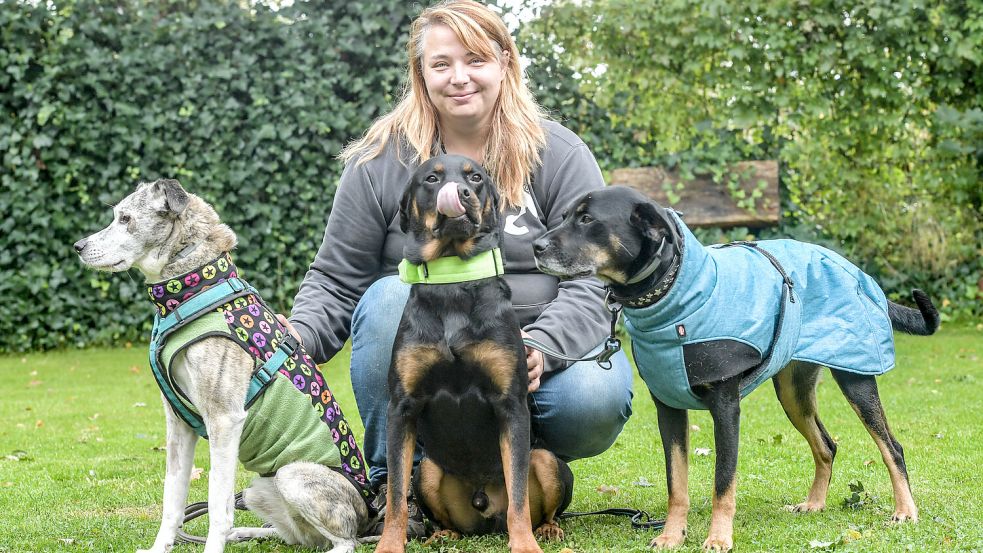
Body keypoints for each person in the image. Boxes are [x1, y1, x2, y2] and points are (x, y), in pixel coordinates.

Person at [279, 0, 634, 537]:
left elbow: (592, 276)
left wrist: (545, 346)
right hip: (425, 339)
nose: (459, 77)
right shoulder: (379, 161)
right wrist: (291, 339)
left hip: (528, 361)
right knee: (384, 300)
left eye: (475, 60)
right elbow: (336, 277)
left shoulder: (555, 152)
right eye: (441, 64)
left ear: (505, 64)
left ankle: (516, 479)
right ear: (420, 75)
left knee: (594, 397)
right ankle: (392, 489)